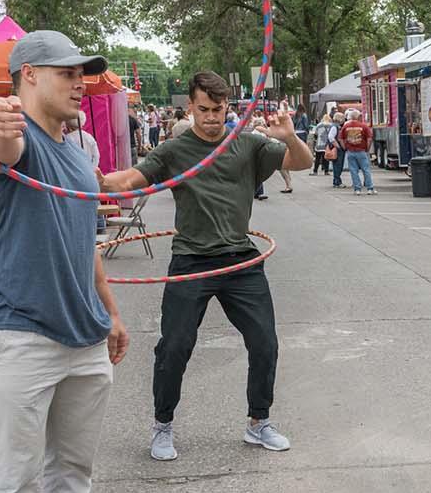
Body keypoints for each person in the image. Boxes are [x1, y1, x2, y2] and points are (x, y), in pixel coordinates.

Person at [0, 30, 142, 493]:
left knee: (72, 465)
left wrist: (112, 312)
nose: (81, 83)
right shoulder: (16, 142)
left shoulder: (77, 153)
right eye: (67, 72)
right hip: (21, 331)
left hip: (84, 334)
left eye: (84, 74)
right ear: (28, 77)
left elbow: (83, 240)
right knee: (14, 471)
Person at [99, 72, 312, 462]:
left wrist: (290, 137)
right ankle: (162, 425)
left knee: (265, 342)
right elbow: (132, 179)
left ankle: (258, 422)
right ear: (190, 108)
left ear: (228, 107)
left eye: (218, 109)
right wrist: (98, 182)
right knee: (175, 347)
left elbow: (302, 162)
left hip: (242, 260)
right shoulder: (175, 150)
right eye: (203, 110)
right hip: (191, 258)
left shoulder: (246, 144)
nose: (212, 118)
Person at [338, 109, 375, 195]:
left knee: (353, 171)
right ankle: (370, 188)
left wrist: (345, 147)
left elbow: (340, 138)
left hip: (350, 151)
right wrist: (367, 149)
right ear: (358, 117)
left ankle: (357, 189)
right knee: (366, 170)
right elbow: (369, 139)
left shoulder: (345, 127)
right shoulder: (364, 126)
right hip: (361, 151)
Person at [330, 111, 348, 189]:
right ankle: (337, 181)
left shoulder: (335, 126)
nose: (344, 120)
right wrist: (338, 147)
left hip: (337, 148)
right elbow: (331, 137)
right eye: (343, 118)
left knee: (337, 166)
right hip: (338, 149)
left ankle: (336, 181)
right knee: (338, 166)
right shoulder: (335, 127)